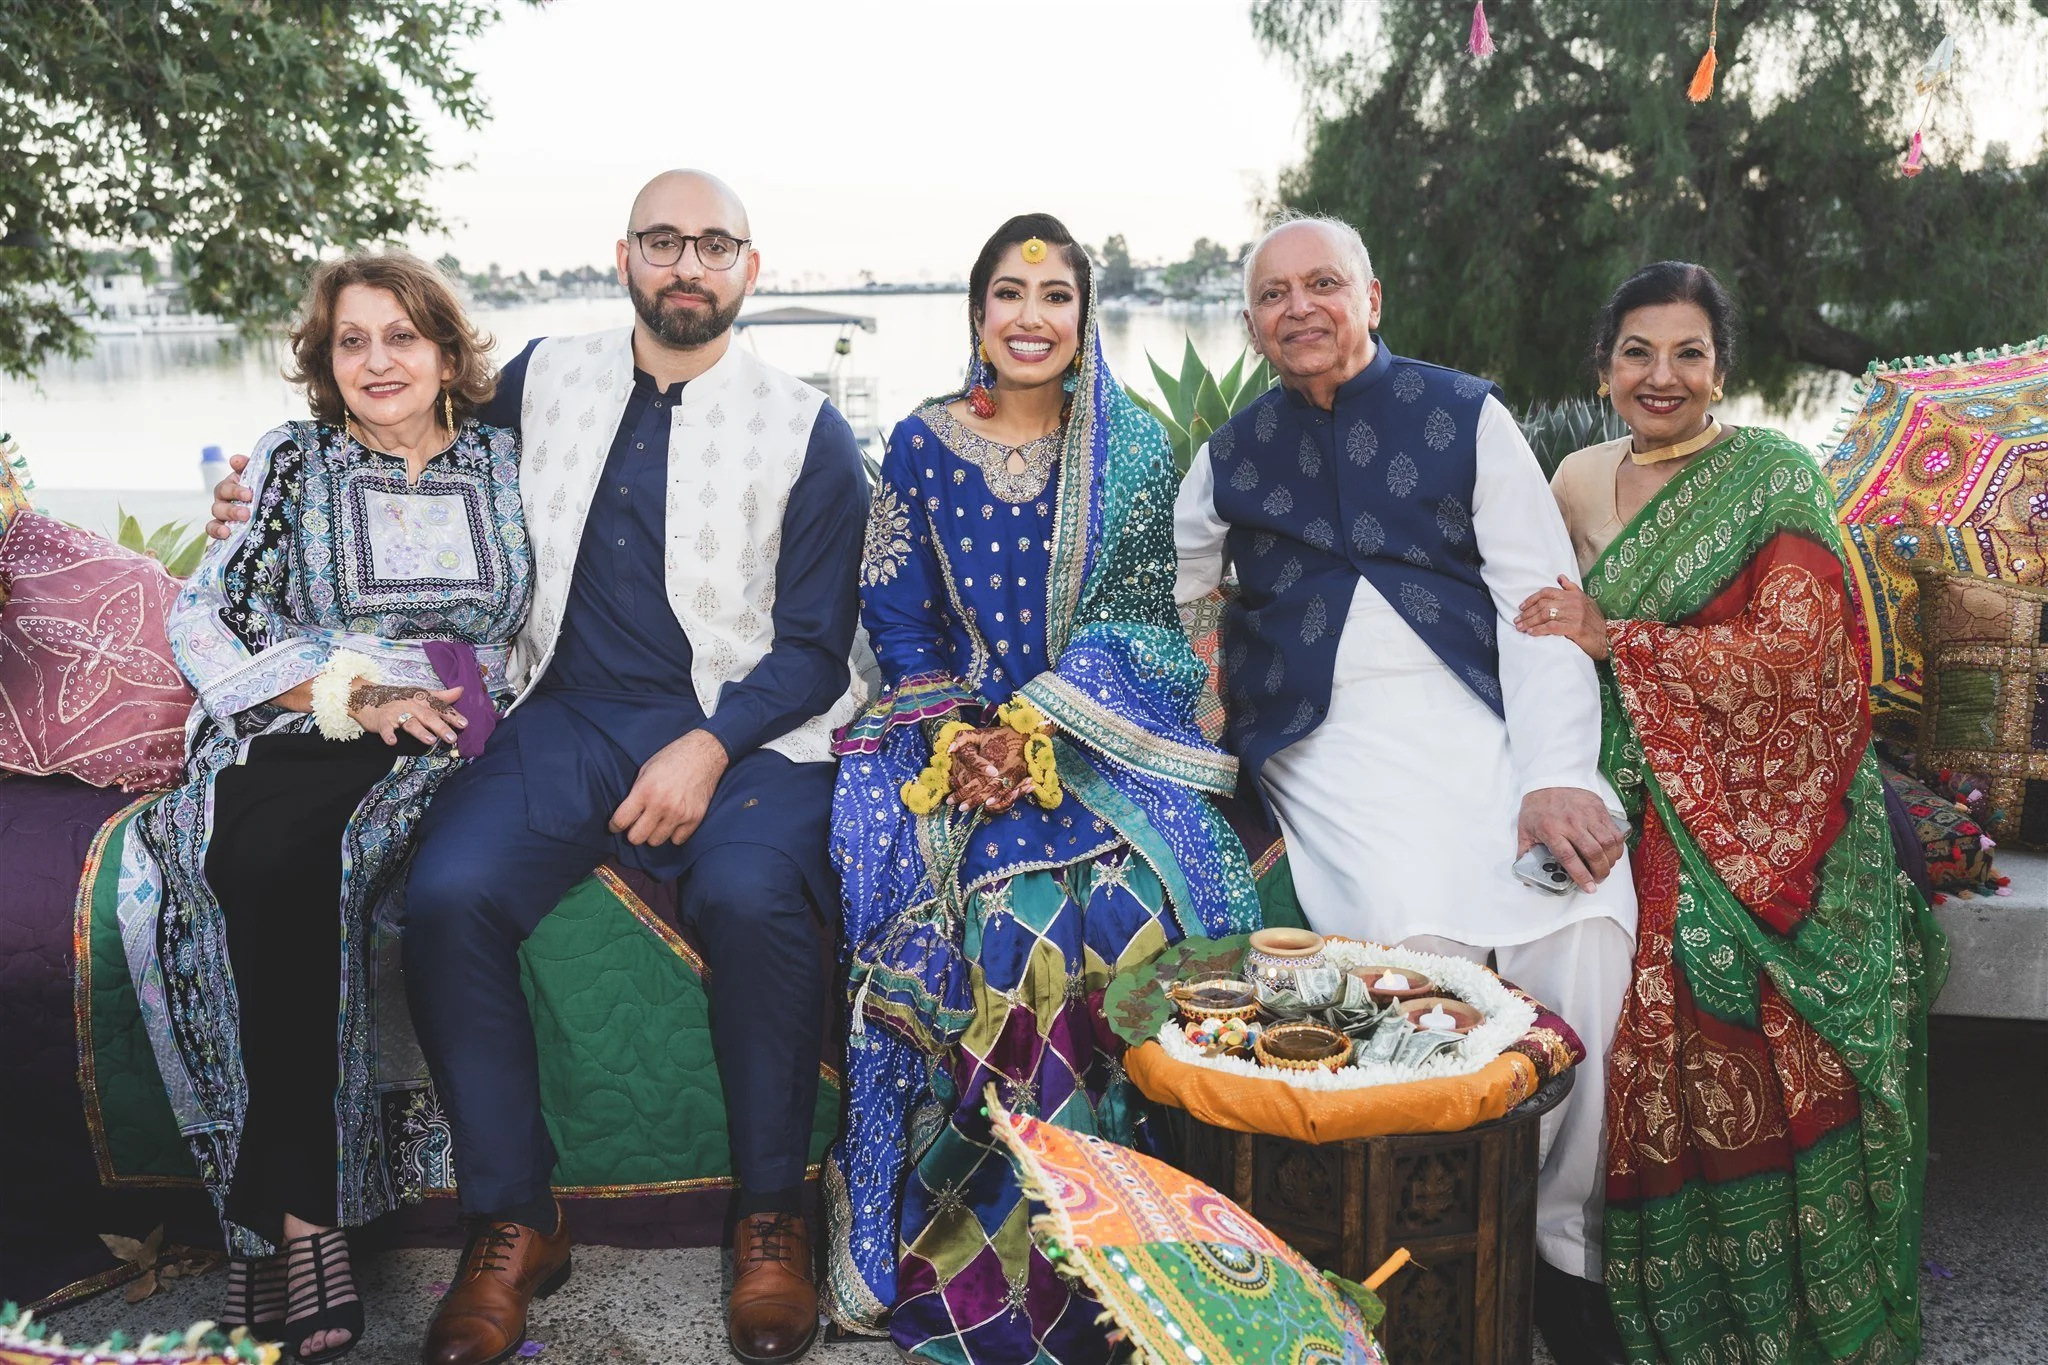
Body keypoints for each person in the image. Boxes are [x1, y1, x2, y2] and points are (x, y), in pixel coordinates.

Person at [206, 170, 867, 1365]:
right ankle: (515, 1218)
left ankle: (771, 1213)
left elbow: (817, 648)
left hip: (748, 720)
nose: (686, 264)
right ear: (622, 258)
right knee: (453, 895)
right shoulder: (545, 379)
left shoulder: (808, 429)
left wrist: (709, 747)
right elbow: (402, 437)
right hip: (561, 708)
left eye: (713, 245)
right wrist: (262, 497)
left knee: (749, 893)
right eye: (662, 241)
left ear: (748, 271)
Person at [1173, 214, 1639, 1363]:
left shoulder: (1465, 415)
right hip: (1324, 737)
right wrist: (1202, 689)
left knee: (1586, 925)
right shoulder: (1226, 456)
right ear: (1249, 324)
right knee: (1417, 944)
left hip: (1480, 718)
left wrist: (1552, 777)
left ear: (1370, 298)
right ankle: (1446, 1245)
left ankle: (1559, 1249)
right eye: (1273, 295)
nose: (1298, 309)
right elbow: (1176, 596)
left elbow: (1537, 616)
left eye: (1321, 284)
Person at [827, 214, 1262, 1364]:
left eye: (1055, 295)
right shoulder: (920, 445)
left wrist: (1048, 728)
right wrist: (963, 734)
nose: (1031, 317)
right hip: (954, 740)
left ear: (1083, 316)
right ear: (976, 314)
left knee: (1139, 919)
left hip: (1098, 737)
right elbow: (899, 622)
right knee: (1006, 936)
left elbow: (1145, 629)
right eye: (1008, 294)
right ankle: (1007, 1252)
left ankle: (1148, 1239)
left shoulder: (1128, 446)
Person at [1521, 261, 1948, 1365]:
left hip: (1775, 792)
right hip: (1622, 772)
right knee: (1601, 947)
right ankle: (1621, 1296)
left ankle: (1786, 1312)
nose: (1659, 377)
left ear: (1722, 370)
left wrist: (1623, 642)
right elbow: (1540, 637)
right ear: (1603, 366)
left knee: (1714, 963)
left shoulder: (1770, 473)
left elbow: (1807, 660)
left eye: (1687, 354)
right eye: (1635, 352)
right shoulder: (1570, 479)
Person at [129, 250, 527, 1363]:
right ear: (326, 362)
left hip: (444, 729)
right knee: (244, 863)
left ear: (447, 353)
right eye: (352, 341)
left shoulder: (508, 463)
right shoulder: (295, 460)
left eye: (401, 335)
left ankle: (271, 1225)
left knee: (306, 865)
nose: (377, 361)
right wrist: (332, 689)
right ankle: (303, 1226)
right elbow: (203, 620)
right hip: (302, 712)